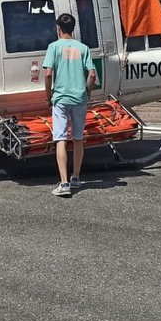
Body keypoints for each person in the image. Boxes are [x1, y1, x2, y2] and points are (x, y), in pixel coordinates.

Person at [43, 12, 97, 197]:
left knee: (60, 139)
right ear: (73, 29)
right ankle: (75, 178)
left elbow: (48, 74)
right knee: (78, 138)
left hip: (61, 99)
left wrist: (48, 96)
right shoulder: (83, 48)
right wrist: (87, 92)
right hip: (79, 99)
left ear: (58, 29)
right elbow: (92, 74)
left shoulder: (53, 47)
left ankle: (64, 183)